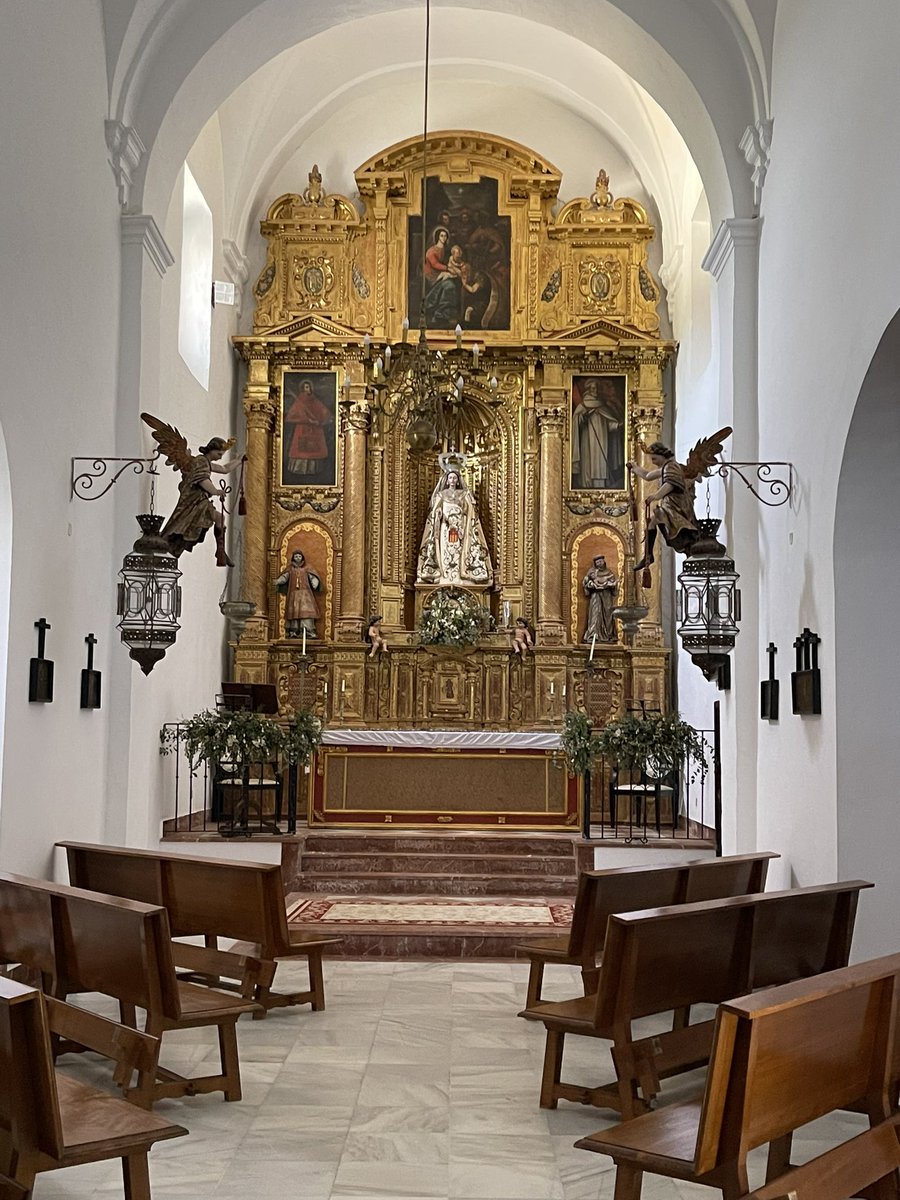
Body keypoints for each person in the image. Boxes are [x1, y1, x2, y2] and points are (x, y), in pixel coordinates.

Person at [160, 436, 243, 567]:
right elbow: (202, 479)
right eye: (219, 454)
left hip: (200, 501)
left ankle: (220, 550)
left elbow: (224, 469)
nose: (220, 457)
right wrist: (216, 491)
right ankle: (219, 551)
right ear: (211, 450)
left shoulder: (206, 462)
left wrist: (238, 461)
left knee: (219, 517)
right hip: (193, 501)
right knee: (182, 525)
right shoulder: (200, 461)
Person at [416, 467, 493, 587]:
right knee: (446, 551)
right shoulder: (441, 495)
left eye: (454, 478)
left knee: (459, 549)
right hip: (445, 528)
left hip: (460, 528)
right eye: (450, 477)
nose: (452, 480)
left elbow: (470, 511)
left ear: (458, 480)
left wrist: (462, 523)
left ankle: (460, 576)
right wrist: (439, 514)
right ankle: (445, 577)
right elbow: (436, 511)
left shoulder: (464, 494)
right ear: (447, 480)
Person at [629, 442, 700, 567]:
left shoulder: (672, 467)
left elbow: (670, 484)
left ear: (662, 455)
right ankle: (648, 556)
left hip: (677, 505)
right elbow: (647, 475)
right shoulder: (665, 467)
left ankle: (649, 555)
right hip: (670, 504)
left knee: (663, 524)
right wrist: (634, 467)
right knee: (653, 521)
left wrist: (656, 496)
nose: (653, 461)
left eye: (654, 458)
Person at [571, 378, 625, 490]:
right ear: (588, 389)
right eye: (592, 388)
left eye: (596, 388)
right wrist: (583, 417)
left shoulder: (602, 406)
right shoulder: (583, 406)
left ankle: (601, 485)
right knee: (588, 463)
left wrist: (618, 425)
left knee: (600, 462)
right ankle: (586, 485)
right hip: (587, 440)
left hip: (602, 438)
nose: (595, 390)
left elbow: (610, 424)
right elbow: (576, 422)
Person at [284, 379, 333, 481]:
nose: (308, 389)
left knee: (314, 450)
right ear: (302, 388)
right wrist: (307, 420)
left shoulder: (315, 400)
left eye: (309, 387)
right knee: (302, 449)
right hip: (302, 430)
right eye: (306, 387)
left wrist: (319, 421)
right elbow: (291, 417)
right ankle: (300, 470)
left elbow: (325, 413)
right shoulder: (299, 401)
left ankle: (313, 471)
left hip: (315, 430)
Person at [274, 550, 321, 638]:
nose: (298, 558)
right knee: (294, 612)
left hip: (305, 594)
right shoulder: (290, 569)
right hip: (294, 594)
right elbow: (284, 577)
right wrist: (278, 581)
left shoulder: (307, 568)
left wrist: (315, 583)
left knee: (306, 612)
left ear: (302, 557)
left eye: (299, 556)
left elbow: (313, 577)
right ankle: (293, 631)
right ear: (293, 558)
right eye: (296, 556)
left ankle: (308, 630)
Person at [582, 555, 619, 643]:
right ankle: (593, 635)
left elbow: (614, 584)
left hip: (606, 596)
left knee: (608, 614)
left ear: (604, 562)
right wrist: (589, 584)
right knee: (595, 614)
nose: (599, 563)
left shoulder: (609, 572)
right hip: (596, 596)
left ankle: (609, 635)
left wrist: (611, 585)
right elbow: (586, 582)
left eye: (601, 561)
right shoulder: (592, 571)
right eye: (597, 562)